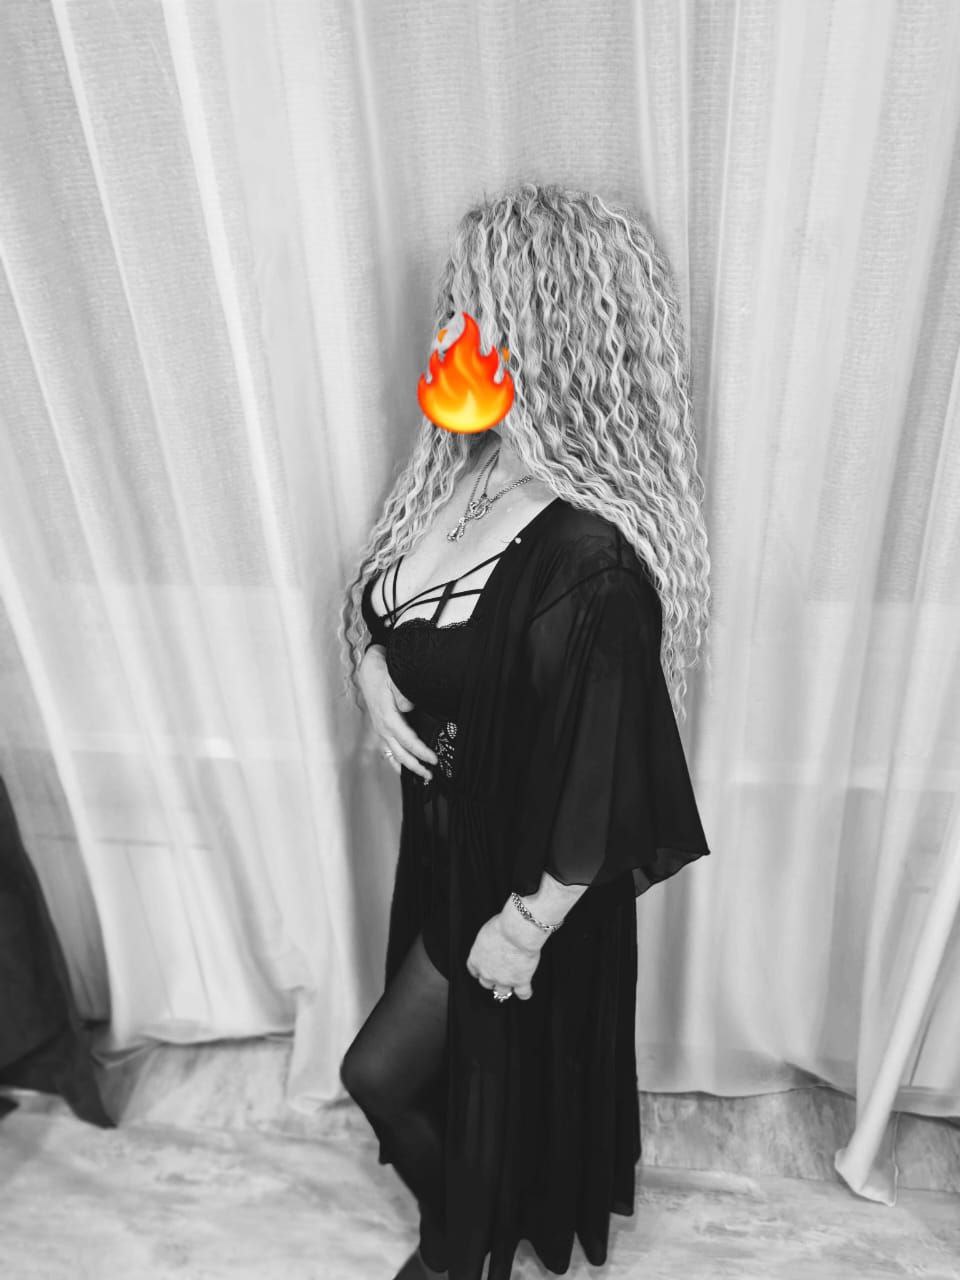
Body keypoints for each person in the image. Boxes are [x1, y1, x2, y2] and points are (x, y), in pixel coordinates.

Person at [337, 182, 712, 1280]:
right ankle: (470, 1230)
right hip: (441, 845)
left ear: (549, 341)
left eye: (473, 314)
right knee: (447, 1087)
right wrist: (366, 665)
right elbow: (377, 597)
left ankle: (460, 1251)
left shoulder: (590, 560)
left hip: (515, 879)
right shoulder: (464, 470)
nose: (447, 336)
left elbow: (608, 767)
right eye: (451, 308)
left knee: (384, 1075)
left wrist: (529, 924)